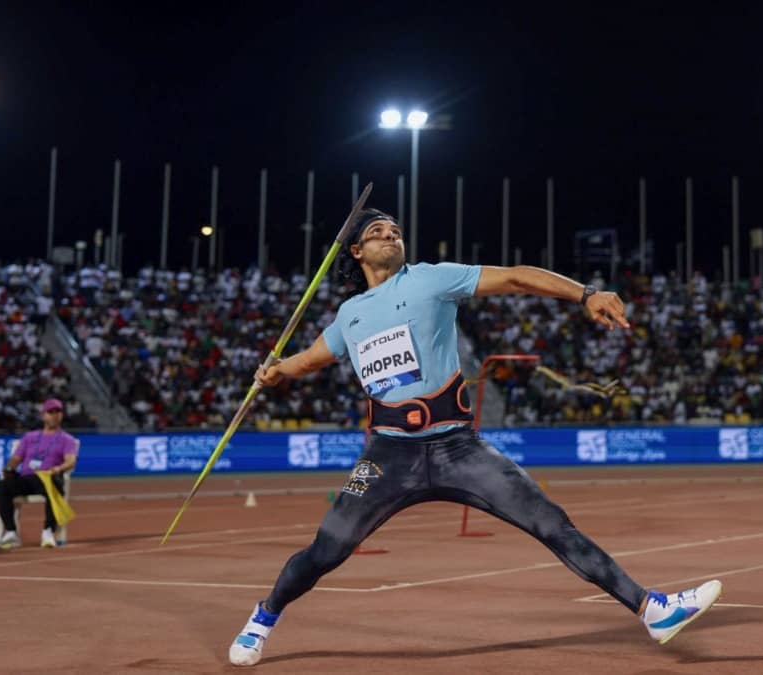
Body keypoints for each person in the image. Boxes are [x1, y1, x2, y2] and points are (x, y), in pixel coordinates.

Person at [228, 209, 722, 666]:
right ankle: (264, 616)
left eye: (396, 229)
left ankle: (650, 608)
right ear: (355, 251)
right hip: (386, 456)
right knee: (325, 550)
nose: (390, 234)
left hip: (457, 449)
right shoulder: (350, 314)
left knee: (551, 522)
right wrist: (276, 372)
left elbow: (514, 276)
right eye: (377, 231)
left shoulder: (430, 279)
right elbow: (314, 356)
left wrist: (586, 293)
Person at [0, 398, 79, 550]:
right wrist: (8, 469)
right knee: (2, 486)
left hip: (47, 477)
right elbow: (16, 459)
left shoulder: (67, 439)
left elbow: (70, 461)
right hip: (26, 478)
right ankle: (11, 532)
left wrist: (58, 469)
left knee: (54, 485)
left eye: (58, 412)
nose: (54, 415)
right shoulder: (29, 437)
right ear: (43, 415)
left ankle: (48, 531)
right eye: (50, 412)